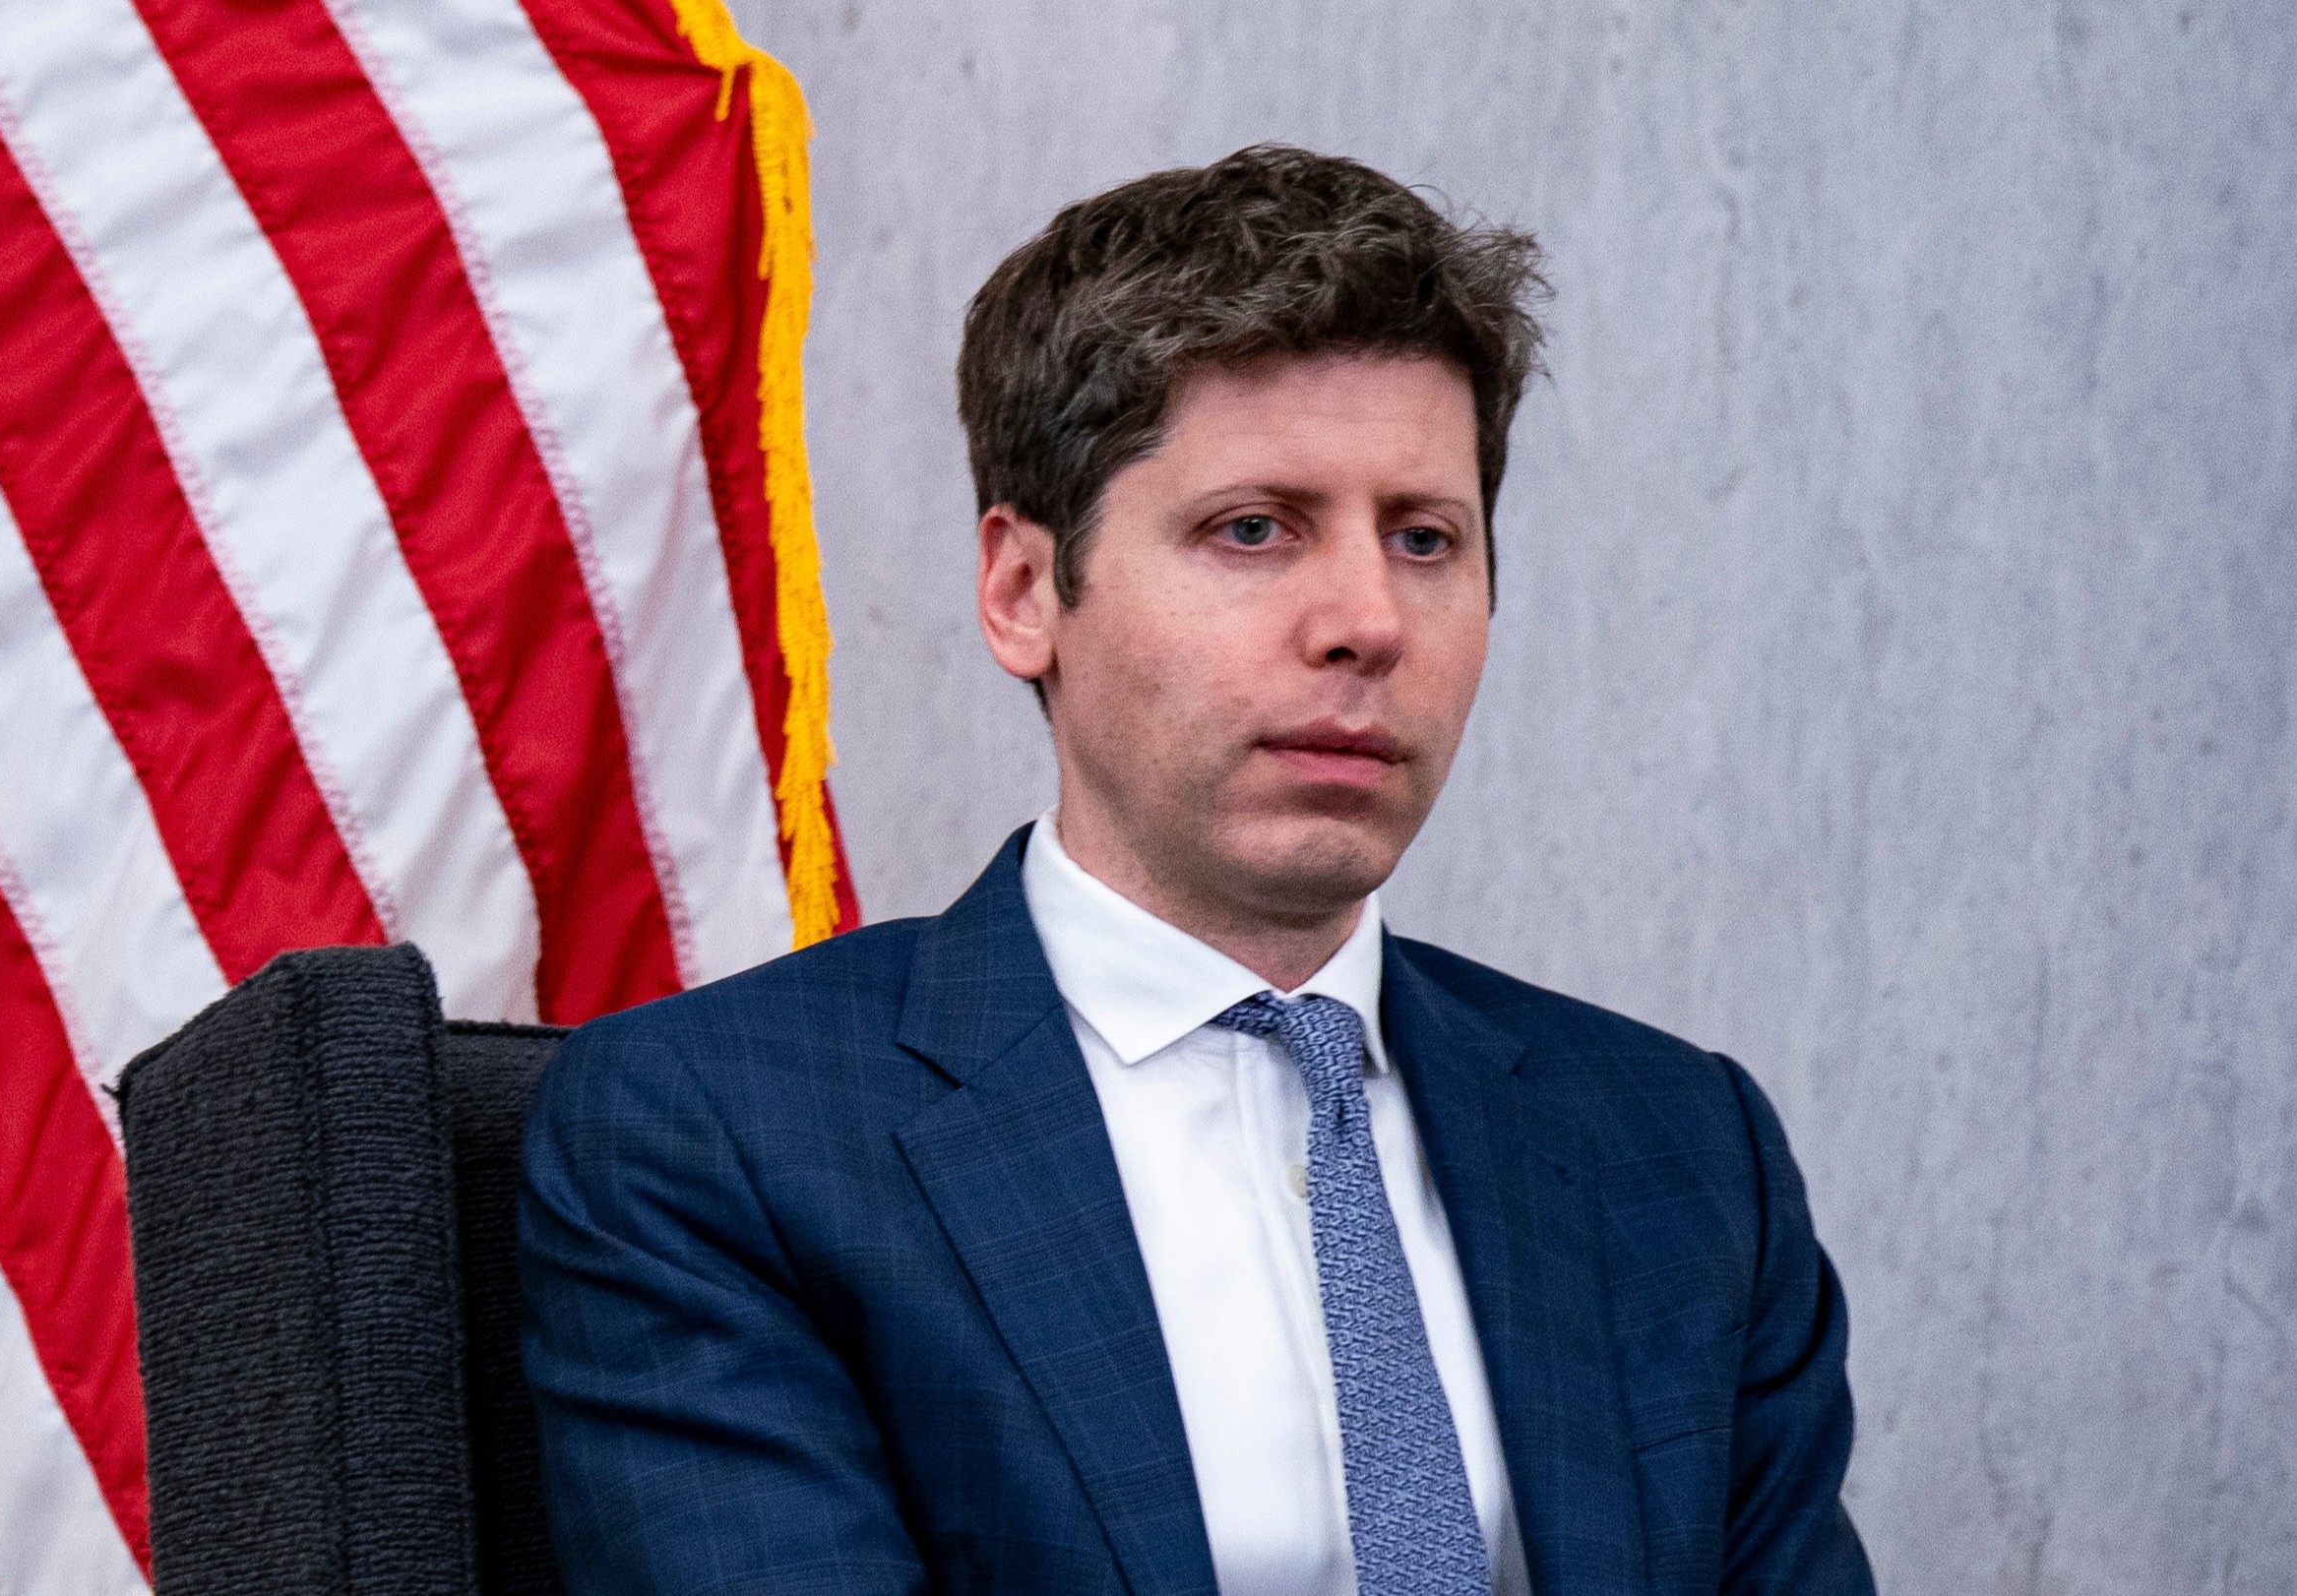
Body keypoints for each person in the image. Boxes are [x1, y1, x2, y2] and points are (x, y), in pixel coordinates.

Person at [517, 144, 1874, 1595]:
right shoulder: (718, 1136)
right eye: (1254, 529)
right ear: (1025, 590)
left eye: (1425, 538)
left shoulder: (1681, 1149)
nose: (1367, 620)